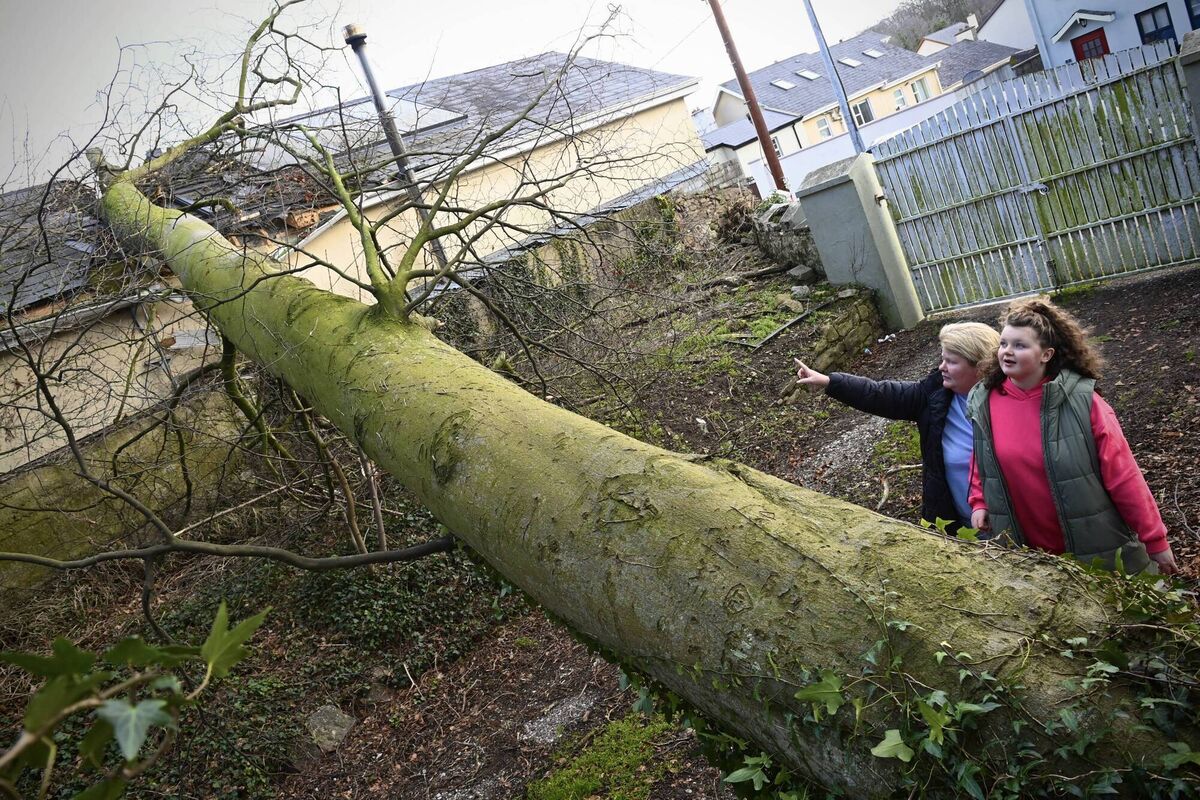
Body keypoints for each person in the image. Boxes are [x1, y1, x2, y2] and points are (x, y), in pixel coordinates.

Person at [967, 298, 1177, 574]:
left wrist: (1155, 540)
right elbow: (981, 458)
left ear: (1046, 354)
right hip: (1024, 551)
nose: (1007, 352)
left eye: (1020, 345)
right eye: (1004, 344)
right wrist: (979, 501)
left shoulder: (1084, 402)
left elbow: (1123, 474)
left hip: (1094, 549)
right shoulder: (985, 399)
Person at [795, 322, 1000, 531]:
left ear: (981, 366)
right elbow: (878, 394)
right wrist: (829, 382)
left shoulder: (1010, 403)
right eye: (942, 359)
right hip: (958, 527)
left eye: (951, 361)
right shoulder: (933, 395)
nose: (941, 367)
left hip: (1012, 529)